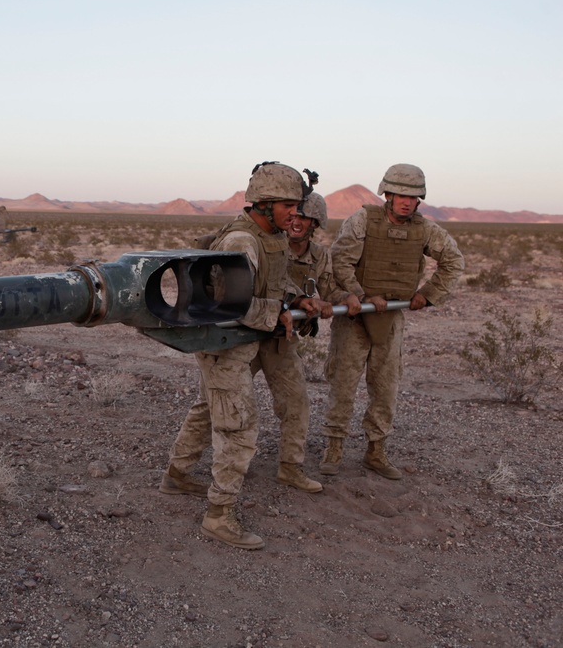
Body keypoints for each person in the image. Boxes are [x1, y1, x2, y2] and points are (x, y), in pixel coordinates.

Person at [159, 161, 321, 550]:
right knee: (238, 426)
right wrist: (275, 312)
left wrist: (294, 298)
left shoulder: (273, 236)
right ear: (264, 204)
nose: (295, 215)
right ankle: (219, 515)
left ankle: (177, 476)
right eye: (288, 206)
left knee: (206, 407)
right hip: (224, 341)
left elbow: (273, 280)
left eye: (297, 207)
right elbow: (228, 304)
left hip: (247, 338)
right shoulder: (240, 243)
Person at [321, 164, 464, 479]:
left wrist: (427, 294)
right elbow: (340, 260)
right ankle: (334, 447)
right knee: (343, 384)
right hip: (355, 316)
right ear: (387, 193)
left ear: (419, 199)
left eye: (412, 196)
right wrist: (359, 294)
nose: (405, 201)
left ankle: (376, 451)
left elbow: (454, 260)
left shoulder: (425, 229)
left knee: (385, 387)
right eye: (399, 194)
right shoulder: (362, 220)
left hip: (391, 318)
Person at [248, 192, 359, 494]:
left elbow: (329, 287)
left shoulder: (319, 256)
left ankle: (290, 468)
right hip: (247, 335)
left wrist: (343, 298)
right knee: (218, 403)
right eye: (293, 216)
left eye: (304, 218)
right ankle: (180, 468)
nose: (296, 222)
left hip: (281, 340)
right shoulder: (269, 245)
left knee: (296, 403)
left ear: (315, 223)